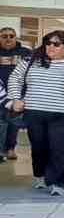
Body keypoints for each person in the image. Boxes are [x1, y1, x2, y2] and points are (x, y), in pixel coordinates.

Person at [6, 31, 64, 196]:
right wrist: (15, 99)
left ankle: (57, 183)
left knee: (59, 148)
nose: (50, 47)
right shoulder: (31, 61)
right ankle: (40, 175)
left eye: (56, 44)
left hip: (63, 114)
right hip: (34, 113)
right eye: (48, 43)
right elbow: (15, 79)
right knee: (39, 148)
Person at [0, 27, 32, 160]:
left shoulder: (25, 52)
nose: (8, 39)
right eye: (4, 36)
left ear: (16, 38)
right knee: (1, 123)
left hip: (17, 95)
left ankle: (11, 149)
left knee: (14, 123)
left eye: (11, 36)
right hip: (0, 94)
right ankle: (1, 150)